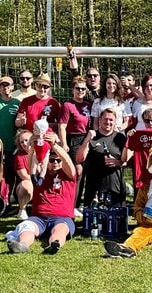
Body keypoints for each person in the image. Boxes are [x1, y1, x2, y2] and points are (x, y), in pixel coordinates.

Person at [6, 133, 77, 254]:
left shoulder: (68, 175)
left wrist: (54, 145)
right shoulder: (40, 174)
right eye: (51, 160)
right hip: (38, 217)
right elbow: (30, 165)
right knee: (27, 228)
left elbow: (68, 161)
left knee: (60, 230)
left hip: (62, 217)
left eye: (58, 160)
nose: (55, 162)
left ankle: (55, 245)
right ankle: (22, 245)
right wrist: (33, 147)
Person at [76, 108, 127, 207]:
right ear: (99, 120)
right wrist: (87, 140)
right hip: (94, 187)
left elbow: (127, 161)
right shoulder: (91, 136)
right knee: (94, 221)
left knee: (116, 220)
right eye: (105, 119)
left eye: (111, 120)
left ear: (115, 121)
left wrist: (119, 162)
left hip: (114, 186)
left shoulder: (120, 138)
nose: (108, 122)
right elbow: (79, 159)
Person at [59, 76, 92, 208]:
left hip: (87, 139)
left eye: (83, 89)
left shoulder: (88, 105)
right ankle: (71, 204)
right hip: (73, 139)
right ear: (73, 89)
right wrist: (64, 144)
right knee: (76, 171)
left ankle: (80, 204)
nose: (80, 91)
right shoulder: (68, 105)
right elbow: (62, 126)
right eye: (77, 88)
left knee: (84, 172)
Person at [13, 129, 34, 220]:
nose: (24, 143)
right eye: (22, 142)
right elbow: (24, 175)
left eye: (26, 140)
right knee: (26, 183)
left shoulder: (40, 153)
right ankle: (22, 210)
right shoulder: (19, 157)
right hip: (25, 187)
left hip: (39, 183)